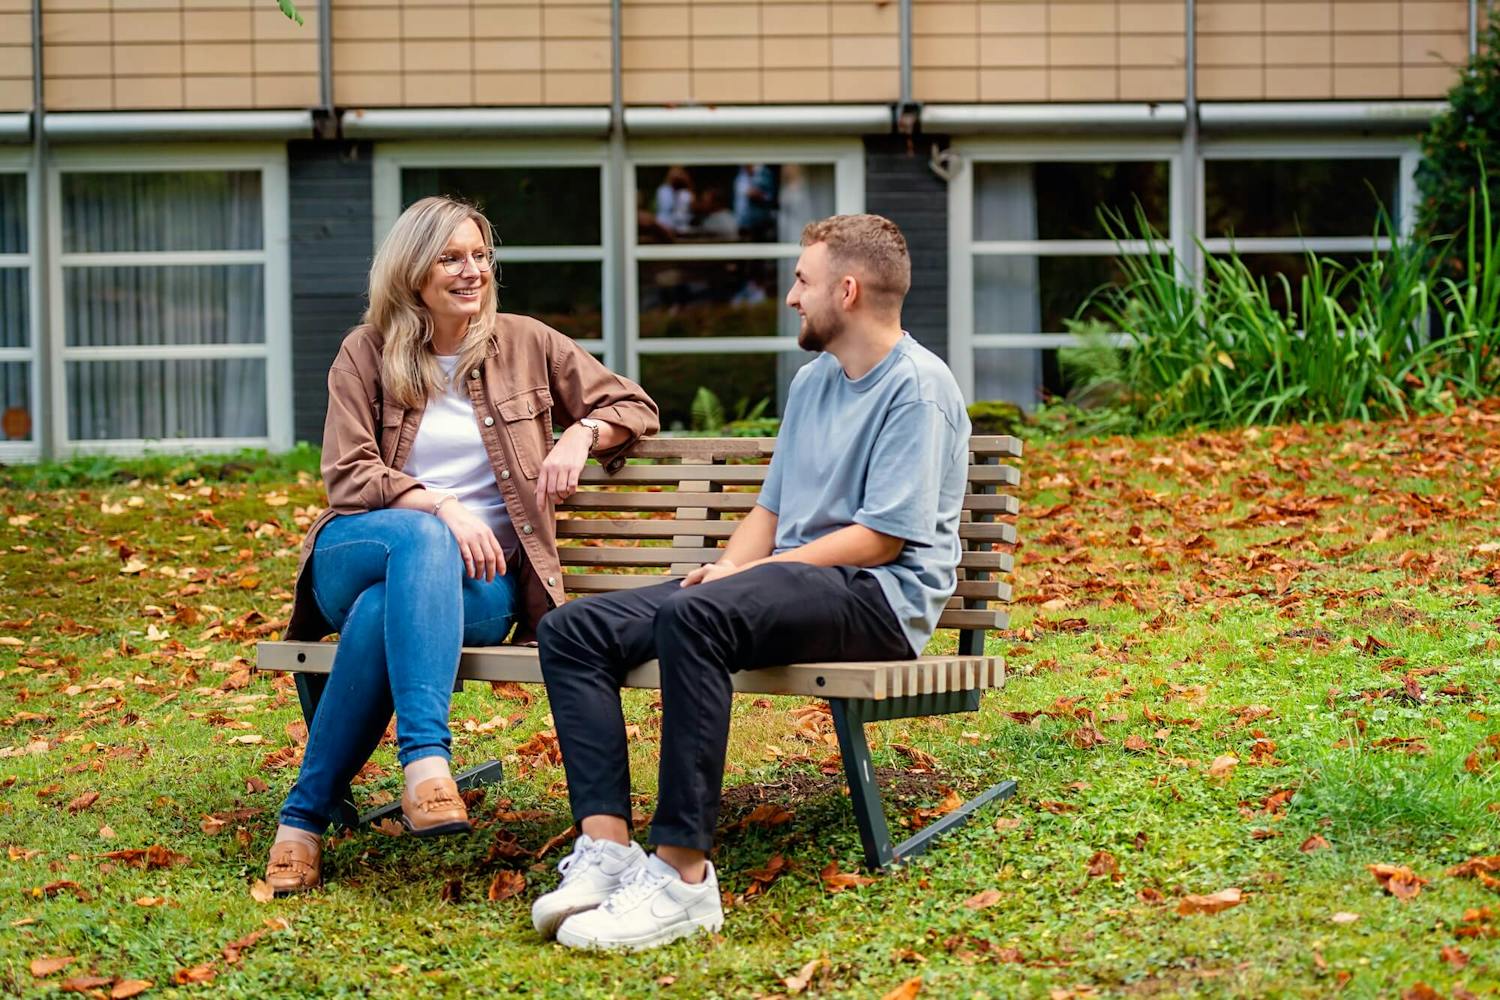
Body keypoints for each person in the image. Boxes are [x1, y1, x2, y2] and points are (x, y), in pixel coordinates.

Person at [531, 214, 971, 950]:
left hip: (877, 600)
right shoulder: (813, 384)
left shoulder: (918, 389)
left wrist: (743, 581)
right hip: (790, 586)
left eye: (803, 280)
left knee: (696, 617)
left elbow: (881, 537)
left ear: (849, 289)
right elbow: (771, 507)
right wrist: (733, 569)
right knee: (573, 630)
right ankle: (607, 854)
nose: (793, 297)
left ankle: (683, 879)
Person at [263, 196, 659, 895]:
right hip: (359, 549)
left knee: (386, 614)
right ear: (414, 270)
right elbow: (348, 473)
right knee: (418, 538)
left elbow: (633, 406)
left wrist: (580, 433)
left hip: (475, 585)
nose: (471, 271)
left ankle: (302, 823)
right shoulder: (366, 351)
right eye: (451, 258)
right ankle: (425, 760)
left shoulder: (527, 343)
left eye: (479, 256)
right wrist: (441, 505)